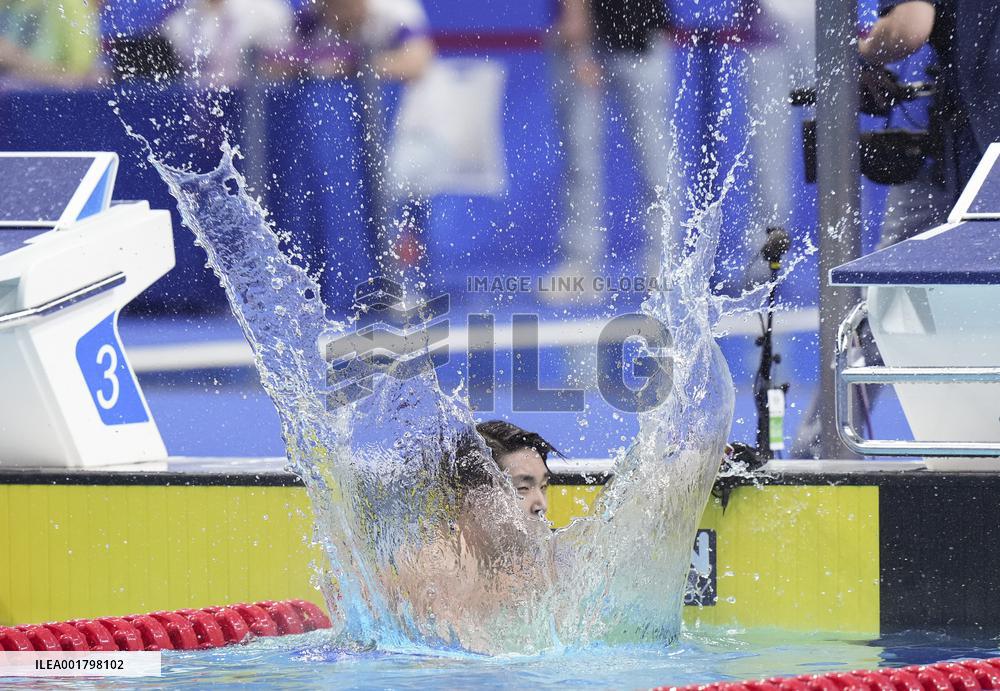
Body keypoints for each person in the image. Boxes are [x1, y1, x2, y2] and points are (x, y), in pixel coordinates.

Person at [547, 0, 684, 297]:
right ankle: (580, 266)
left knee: (656, 164)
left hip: (640, 31)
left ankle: (665, 264)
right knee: (579, 162)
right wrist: (575, 19)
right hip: (582, 40)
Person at [384, 420, 557, 649]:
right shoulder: (427, 576)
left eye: (543, 486)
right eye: (522, 489)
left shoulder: (533, 573)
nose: (541, 504)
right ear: (473, 496)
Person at [163, 0, 294, 87]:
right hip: (196, 102)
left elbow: (285, 61)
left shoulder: (267, 12)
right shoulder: (183, 16)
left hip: (249, 104)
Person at [0, 0, 104, 87]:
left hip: (46, 97)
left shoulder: (69, 4)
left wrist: (16, 60)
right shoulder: (10, 4)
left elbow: (79, 75)